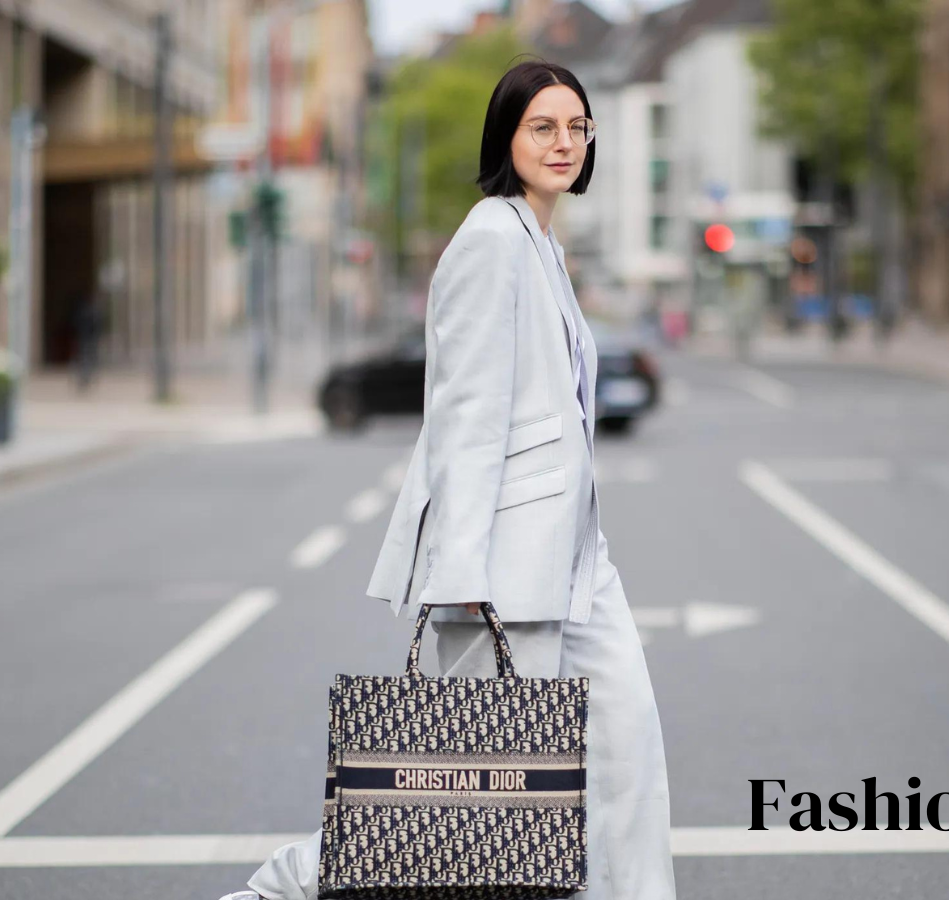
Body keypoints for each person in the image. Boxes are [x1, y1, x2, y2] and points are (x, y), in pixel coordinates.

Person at [220, 59, 677, 900]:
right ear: (507, 136)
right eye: (543, 126)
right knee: (466, 799)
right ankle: (286, 886)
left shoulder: (541, 241)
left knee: (625, 756)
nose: (565, 142)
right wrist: (463, 572)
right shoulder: (490, 237)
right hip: (504, 568)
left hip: (574, 564)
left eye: (577, 127)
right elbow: (466, 414)